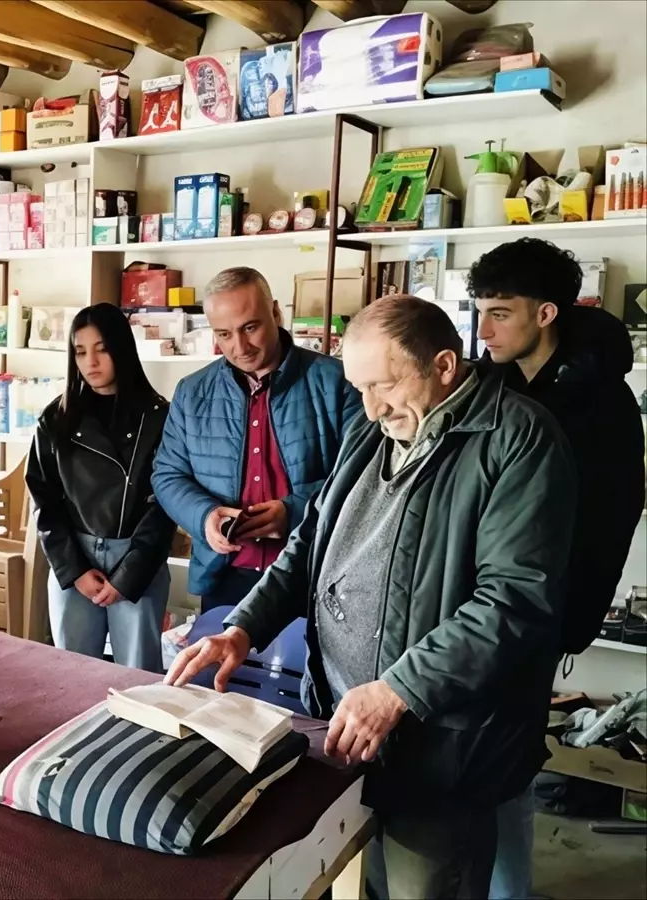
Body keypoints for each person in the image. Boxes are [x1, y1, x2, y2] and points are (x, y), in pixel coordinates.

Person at [165, 295, 577, 900]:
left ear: (443, 365)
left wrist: (398, 690)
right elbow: (310, 547)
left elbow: (513, 601)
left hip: (440, 748)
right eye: (359, 387)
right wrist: (243, 628)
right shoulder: (372, 430)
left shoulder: (518, 439)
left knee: (424, 885)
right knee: (353, 879)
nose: (371, 405)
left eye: (384, 384)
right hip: (343, 724)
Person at [471, 238, 645, 900]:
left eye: (500, 313)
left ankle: (507, 891)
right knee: (475, 757)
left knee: (511, 761)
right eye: (480, 311)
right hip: (478, 600)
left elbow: (610, 523)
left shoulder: (604, 404)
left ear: (545, 314)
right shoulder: (490, 381)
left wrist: (570, 621)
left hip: (541, 609)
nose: (484, 329)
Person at [152, 267, 361, 614]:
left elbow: (361, 475)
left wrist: (294, 511)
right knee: (226, 670)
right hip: (225, 576)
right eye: (224, 334)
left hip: (313, 573)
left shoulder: (337, 382)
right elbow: (167, 474)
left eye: (251, 327)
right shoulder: (192, 393)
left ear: (276, 313)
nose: (240, 346)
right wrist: (204, 517)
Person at [25, 304, 176, 672]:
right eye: (80, 352)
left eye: (101, 349)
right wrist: (74, 570)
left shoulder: (159, 416)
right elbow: (44, 500)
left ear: (121, 349)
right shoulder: (56, 419)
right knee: (73, 677)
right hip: (74, 558)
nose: (90, 362)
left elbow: (166, 502)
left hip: (137, 560)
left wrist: (128, 576)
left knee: (138, 679)